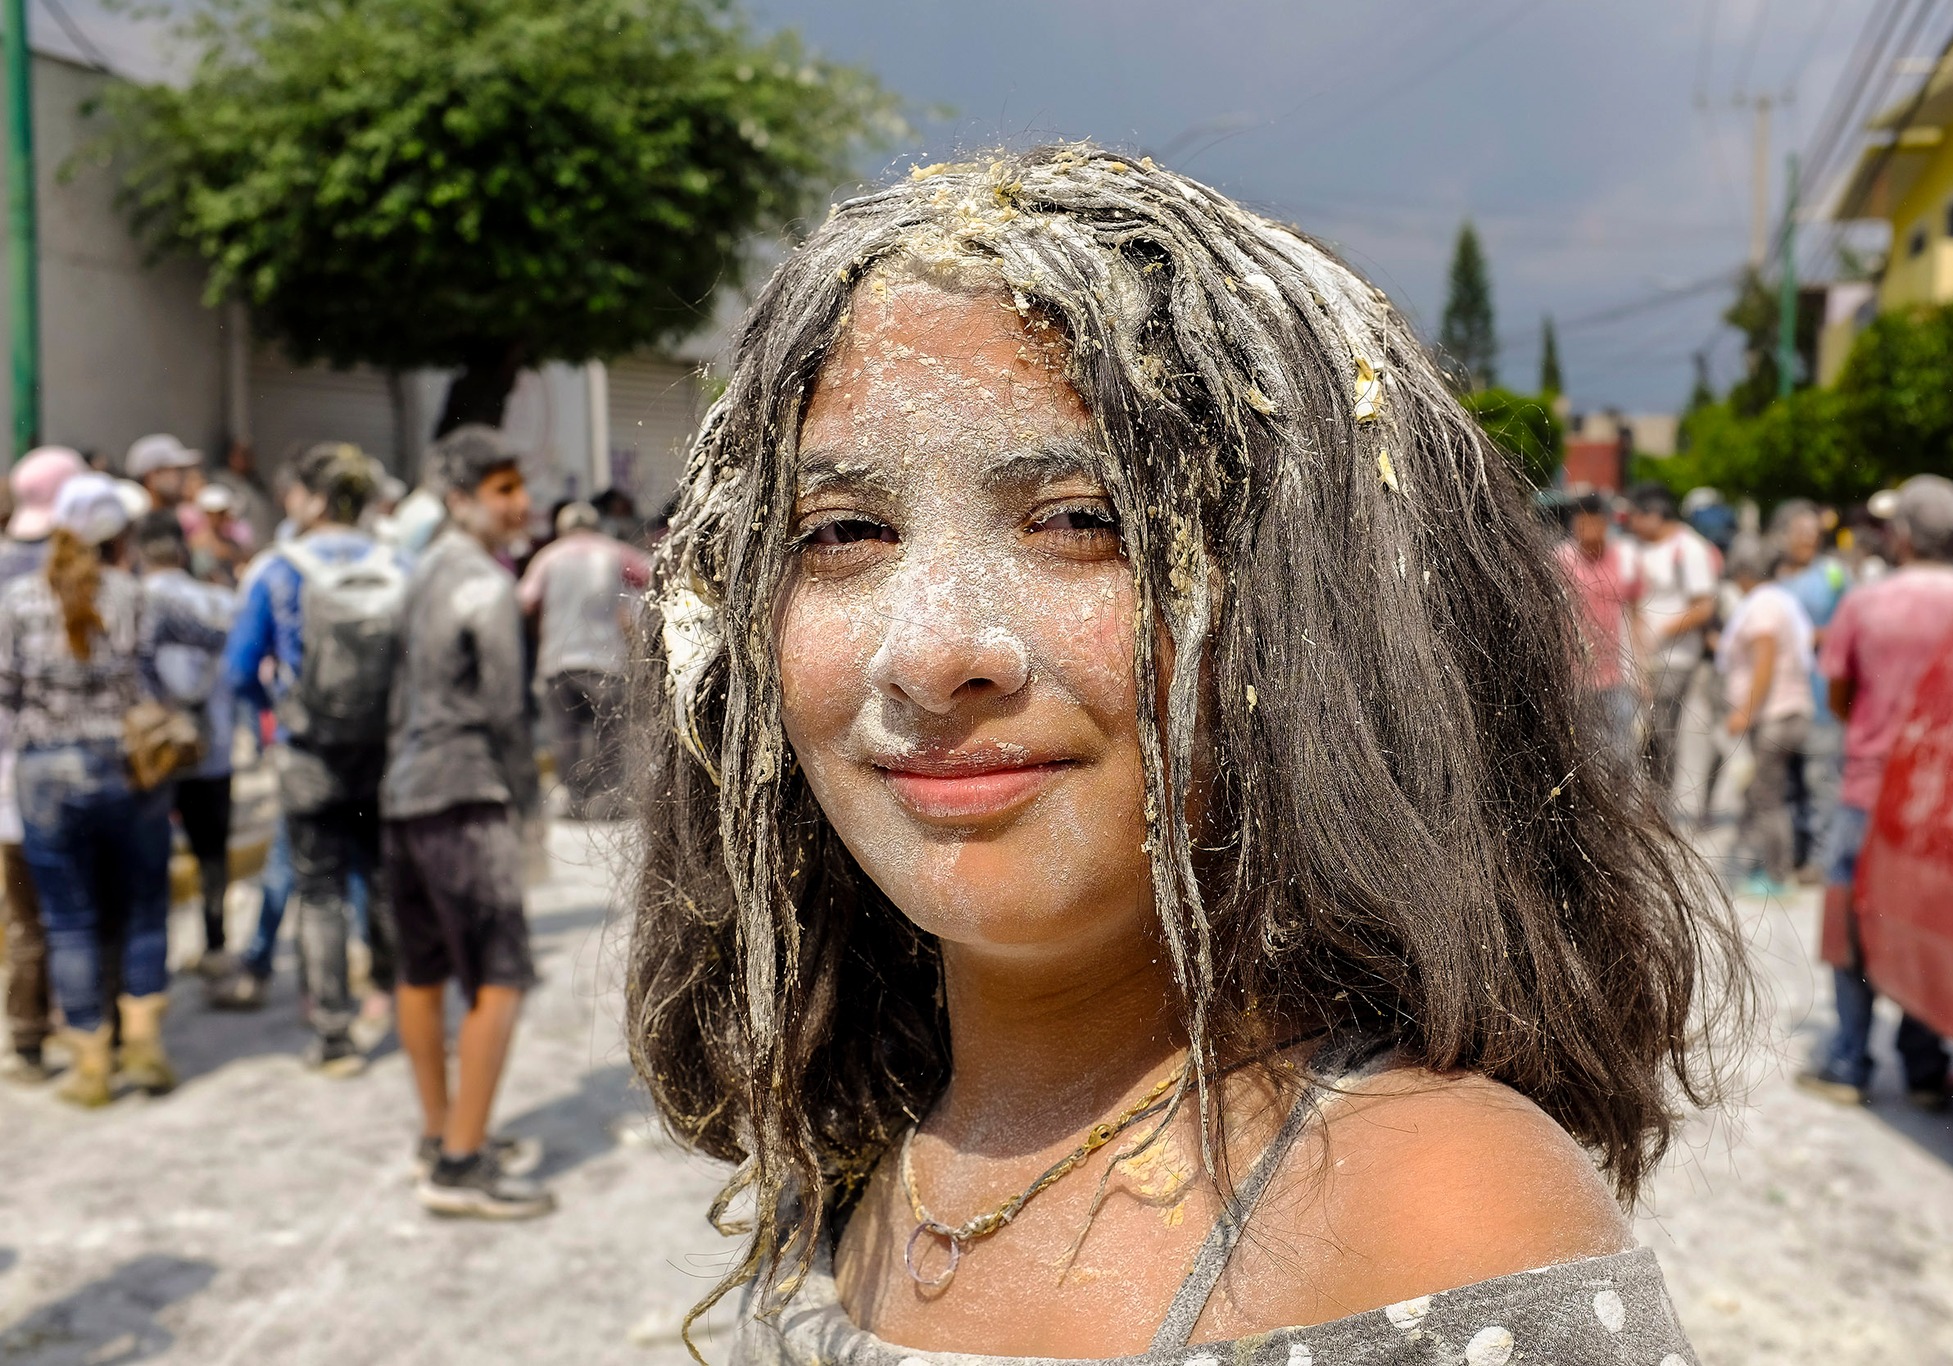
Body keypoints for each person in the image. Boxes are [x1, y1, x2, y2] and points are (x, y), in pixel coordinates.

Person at [627, 149, 1737, 1361]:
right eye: (840, 532)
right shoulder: (863, 1152)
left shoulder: (1433, 1216)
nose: (929, 648)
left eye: (1080, 519)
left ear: (1323, 614)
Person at [0, 473, 224, 1106]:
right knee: (144, 908)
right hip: (128, 770)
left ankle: (91, 1065)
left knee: (69, 921)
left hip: (44, 773)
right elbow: (215, 632)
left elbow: (5, 697)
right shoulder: (139, 596)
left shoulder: (15, 602)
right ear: (120, 536)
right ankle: (146, 1046)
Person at [385, 425, 549, 1219]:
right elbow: (506, 712)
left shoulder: (415, 575)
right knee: (499, 975)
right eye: (503, 490)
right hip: (466, 793)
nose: (520, 504)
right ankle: (460, 1163)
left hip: (404, 794)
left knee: (421, 971)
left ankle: (440, 1129)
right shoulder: (483, 585)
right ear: (461, 500)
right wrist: (528, 811)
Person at [224, 443, 403, 1076]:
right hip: (383, 749)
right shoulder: (399, 562)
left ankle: (334, 1035)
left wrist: (273, 715)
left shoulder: (277, 569)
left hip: (307, 751)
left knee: (319, 888)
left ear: (318, 498)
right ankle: (390, 992)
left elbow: (239, 668)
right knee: (379, 877)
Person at [1800, 475, 1953, 1111]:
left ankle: (1849, 1061)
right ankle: (1926, 1069)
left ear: (1901, 534)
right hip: (1946, 800)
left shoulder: (1868, 603)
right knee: (1925, 924)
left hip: (1869, 790)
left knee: (1851, 928)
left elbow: (1841, 695)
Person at [0, 447, 85, 1083]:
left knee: (26, 915)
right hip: (78, 768)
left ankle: (28, 1040)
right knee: (78, 908)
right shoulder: (87, 577)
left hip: (10, 777)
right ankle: (88, 1032)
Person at [133, 511, 240, 978]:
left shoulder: (133, 602)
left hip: (156, 755)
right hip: (212, 750)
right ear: (182, 550)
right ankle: (216, 945)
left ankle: (152, 961)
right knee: (211, 854)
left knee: (152, 858)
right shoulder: (219, 601)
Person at [516, 500, 650, 819]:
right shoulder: (615, 552)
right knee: (610, 733)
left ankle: (574, 800)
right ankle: (605, 800)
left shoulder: (548, 557)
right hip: (607, 661)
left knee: (565, 736)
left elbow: (524, 600)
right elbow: (653, 574)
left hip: (559, 662)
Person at [1715, 535, 1815, 894]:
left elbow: (1765, 662)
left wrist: (1745, 711)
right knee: (1767, 794)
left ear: (1745, 573)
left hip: (1775, 715)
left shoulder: (1762, 607)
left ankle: (1776, 874)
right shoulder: (1778, 601)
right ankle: (1766, 867)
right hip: (1787, 713)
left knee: (1767, 798)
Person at [1627, 482, 1718, 819]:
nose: (1630, 522)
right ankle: (1649, 802)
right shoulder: (1635, 547)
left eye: (1635, 515)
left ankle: (1658, 806)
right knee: (1641, 733)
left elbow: (1704, 607)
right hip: (1638, 658)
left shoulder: (1689, 548)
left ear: (1653, 514)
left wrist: (1661, 631)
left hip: (1674, 660)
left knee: (1659, 732)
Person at [1771, 500, 1850, 876]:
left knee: (1821, 780)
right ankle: (1797, 853)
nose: (1806, 541)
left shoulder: (1833, 573)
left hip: (1821, 696)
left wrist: (1817, 636)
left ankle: (1821, 859)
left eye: (1812, 535)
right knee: (1791, 782)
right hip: (1784, 698)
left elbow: (1851, 621)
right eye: (1799, 534)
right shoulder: (1776, 580)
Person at [1552, 491, 1643, 769]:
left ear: (1605, 524)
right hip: (1574, 675)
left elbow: (1636, 613)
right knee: (1583, 752)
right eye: (1581, 525)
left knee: (1622, 752)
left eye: (1593, 523)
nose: (1587, 531)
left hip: (1617, 674)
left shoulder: (1626, 558)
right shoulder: (1560, 559)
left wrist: (1642, 668)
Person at [126, 433, 203, 515]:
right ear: (153, 475)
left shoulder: (174, 516)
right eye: (176, 470)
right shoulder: (133, 519)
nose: (182, 477)